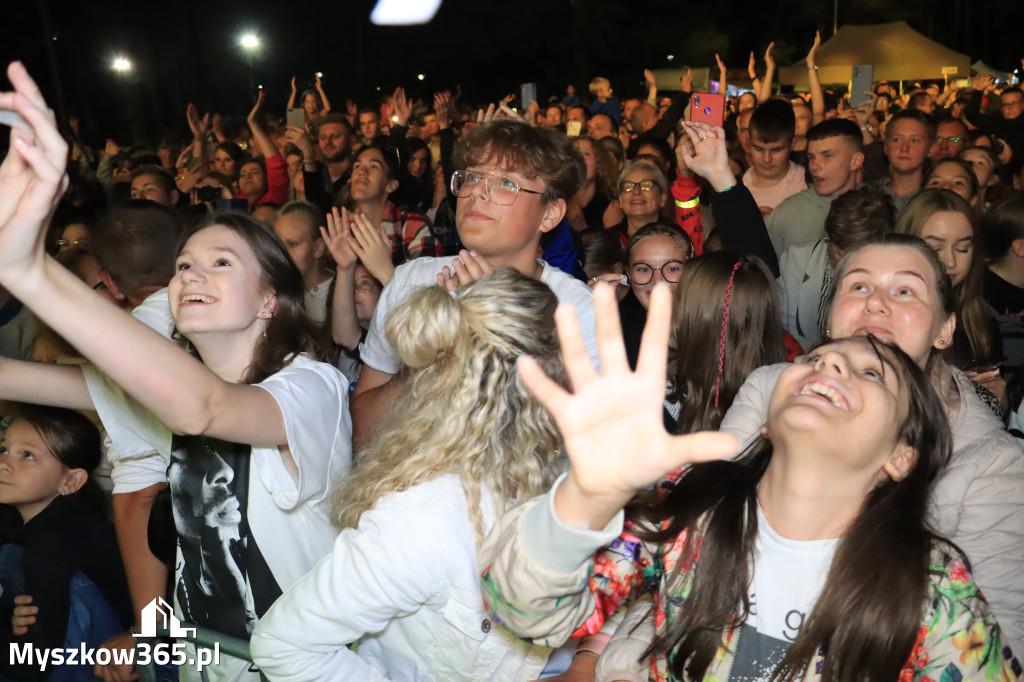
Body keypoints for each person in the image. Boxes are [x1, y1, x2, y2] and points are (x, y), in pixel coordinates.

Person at [0, 62, 353, 679]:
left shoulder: (310, 386)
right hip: (202, 658)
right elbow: (22, 380)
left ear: (272, 298)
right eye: (185, 265)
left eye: (220, 261)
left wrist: (29, 269)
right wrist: (149, 636)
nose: (192, 274)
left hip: (303, 666)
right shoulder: (168, 382)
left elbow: (206, 407)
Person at [480, 282, 1019, 680]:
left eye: (872, 373)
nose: (829, 368)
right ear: (767, 419)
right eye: (817, 359)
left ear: (902, 457)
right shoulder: (693, 509)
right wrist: (586, 496)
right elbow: (524, 611)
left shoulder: (925, 583)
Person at [251, 269, 565, 680]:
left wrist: (588, 659)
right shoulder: (426, 518)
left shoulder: (567, 469)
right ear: (546, 371)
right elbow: (284, 644)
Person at [720, 234, 1024, 652]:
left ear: (944, 328)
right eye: (858, 286)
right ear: (830, 321)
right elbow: (692, 539)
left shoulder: (991, 464)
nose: (876, 303)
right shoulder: (776, 388)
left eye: (905, 290)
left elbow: (993, 640)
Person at [349, 120, 598, 447]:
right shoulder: (413, 281)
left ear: (550, 214)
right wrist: (430, 360)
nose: (478, 191)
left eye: (506, 183)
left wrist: (492, 336)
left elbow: (585, 443)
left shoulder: (573, 308)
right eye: (474, 177)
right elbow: (362, 431)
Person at [0, 407, 133, 681]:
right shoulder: (21, 511)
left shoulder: (58, 537)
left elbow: (32, 664)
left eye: (27, 455)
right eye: (4, 450)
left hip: (97, 661)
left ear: (70, 481)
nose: (4, 463)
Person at [896, 189, 1001, 380]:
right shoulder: (882, 317)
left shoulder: (982, 325)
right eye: (936, 248)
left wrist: (997, 399)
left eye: (962, 249)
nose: (950, 261)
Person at [778, 184, 895, 350]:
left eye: (859, 255)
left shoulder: (891, 278)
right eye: (842, 252)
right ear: (827, 234)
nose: (849, 263)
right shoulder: (796, 261)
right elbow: (780, 329)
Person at [765, 119, 865, 257]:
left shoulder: (876, 210)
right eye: (811, 157)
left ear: (855, 161)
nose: (814, 166)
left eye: (827, 156)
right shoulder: (787, 212)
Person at [348, 144, 443, 266]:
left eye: (373, 167)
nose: (362, 172)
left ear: (391, 185)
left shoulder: (411, 226)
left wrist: (384, 269)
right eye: (357, 166)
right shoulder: (344, 227)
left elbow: (427, 283)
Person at [741, 99, 807, 214]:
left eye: (776, 150)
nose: (766, 159)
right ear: (749, 143)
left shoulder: (805, 182)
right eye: (759, 149)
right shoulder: (740, 185)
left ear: (792, 144)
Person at [273, 202, 335, 324]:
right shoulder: (276, 290)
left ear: (318, 248)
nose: (283, 252)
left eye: (292, 244)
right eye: (278, 244)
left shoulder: (340, 293)